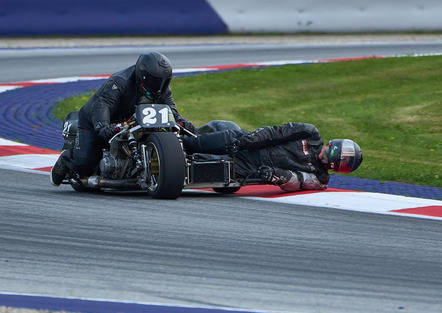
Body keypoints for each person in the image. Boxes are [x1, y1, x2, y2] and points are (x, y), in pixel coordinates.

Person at [51, 52, 195, 186]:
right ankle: (66, 158)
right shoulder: (120, 82)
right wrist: (102, 126)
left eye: (164, 81)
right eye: (155, 81)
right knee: (84, 162)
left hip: (130, 121)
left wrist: (182, 122)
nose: (159, 86)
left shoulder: (162, 90)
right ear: (143, 75)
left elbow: (170, 110)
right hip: (94, 119)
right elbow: (103, 105)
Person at [182, 122, 363, 191]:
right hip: (244, 142)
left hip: (250, 169)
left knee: (197, 168)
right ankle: (176, 135)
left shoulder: (320, 178)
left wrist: (277, 175)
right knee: (191, 143)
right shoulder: (310, 133)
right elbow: (274, 132)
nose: (340, 162)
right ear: (335, 146)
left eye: (345, 165)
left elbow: (298, 180)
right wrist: (244, 142)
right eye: (343, 158)